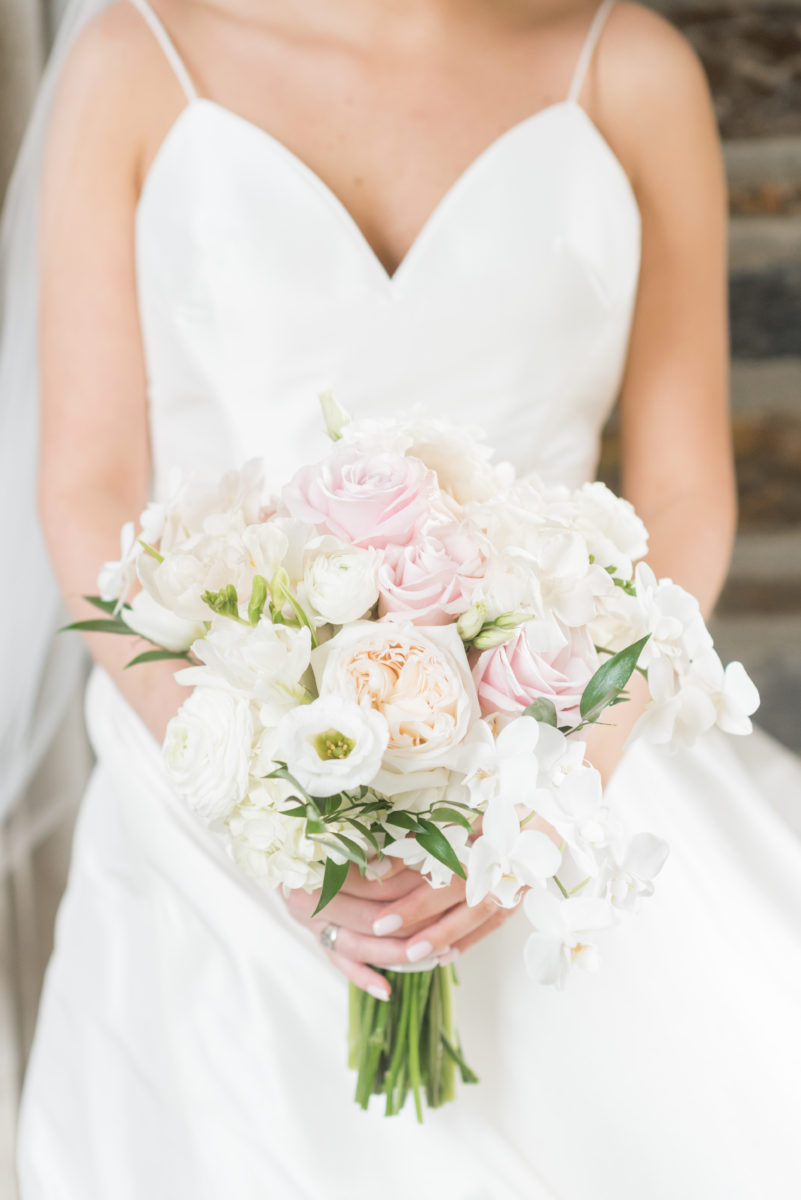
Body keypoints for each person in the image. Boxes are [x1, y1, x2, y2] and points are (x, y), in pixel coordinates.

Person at [12, 0, 801, 1195]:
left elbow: (687, 494)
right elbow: (85, 490)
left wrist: (559, 789)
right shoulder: (138, 55)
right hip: (207, 778)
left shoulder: (632, 68)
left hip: (562, 747)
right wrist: (262, 808)